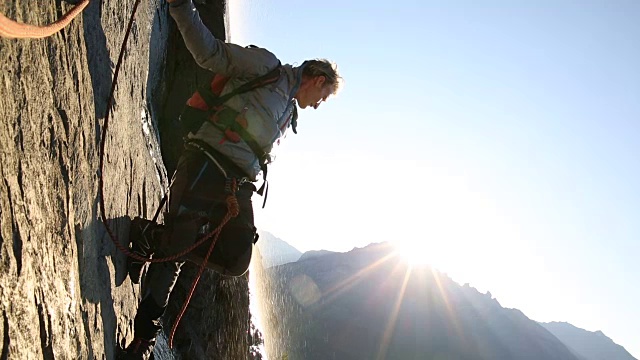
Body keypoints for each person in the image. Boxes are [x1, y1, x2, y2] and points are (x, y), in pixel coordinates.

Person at [119, 0, 342, 358]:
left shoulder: (288, 112)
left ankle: (151, 238)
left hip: (236, 185)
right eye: (322, 97)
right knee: (179, 250)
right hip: (207, 161)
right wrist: (180, 8)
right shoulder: (266, 67)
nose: (317, 105)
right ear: (317, 80)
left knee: (237, 258)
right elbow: (211, 55)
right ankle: (144, 338)